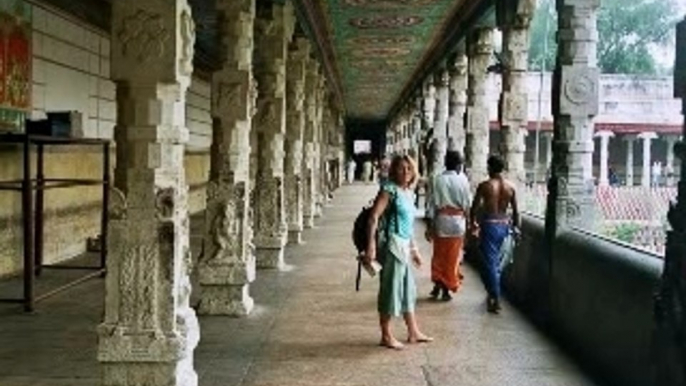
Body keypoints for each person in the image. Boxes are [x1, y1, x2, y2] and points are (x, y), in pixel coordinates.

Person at [363, 154, 433, 350]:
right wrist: (371, 246)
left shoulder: (408, 193)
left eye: (409, 169)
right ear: (394, 170)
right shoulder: (389, 190)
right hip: (391, 244)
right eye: (401, 168)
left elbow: (408, 225)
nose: (405, 172)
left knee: (407, 289)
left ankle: (413, 331)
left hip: (403, 244)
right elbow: (373, 217)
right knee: (390, 290)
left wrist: (415, 249)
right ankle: (386, 334)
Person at [469, 155, 520, 314]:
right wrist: (517, 229)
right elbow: (517, 212)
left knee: (489, 263)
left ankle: (495, 297)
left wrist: (473, 223)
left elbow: (474, 208)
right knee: (498, 262)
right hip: (505, 225)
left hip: (489, 225)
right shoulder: (511, 187)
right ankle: (493, 294)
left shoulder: (484, 186)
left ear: (489, 167)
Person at [425, 151, 471, 301]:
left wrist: (429, 226)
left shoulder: (437, 179)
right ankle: (446, 287)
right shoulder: (463, 180)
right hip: (458, 222)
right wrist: (470, 224)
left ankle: (438, 284)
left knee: (438, 255)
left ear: (445, 163)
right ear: (459, 165)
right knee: (452, 257)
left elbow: (432, 205)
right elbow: (467, 205)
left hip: (441, 221)